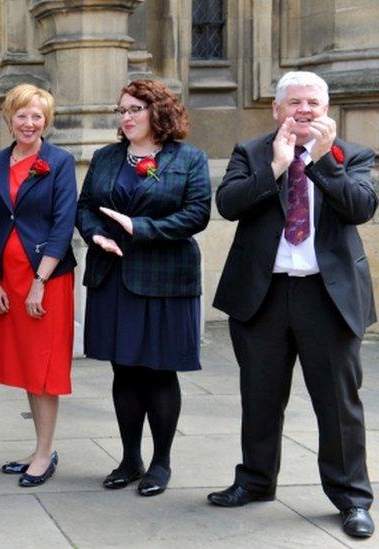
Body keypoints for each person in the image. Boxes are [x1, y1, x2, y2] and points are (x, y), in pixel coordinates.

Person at [209, 71, 377, 539]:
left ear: (327, 109)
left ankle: (351, 499)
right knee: (259, 397)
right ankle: (256, 481)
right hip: (263, 295)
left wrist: (323, 163)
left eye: (314, 102)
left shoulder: (353, 154)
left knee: (338, 404)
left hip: (328, 297)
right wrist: (277, 167)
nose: (305, 109)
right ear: (277, 110)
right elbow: (228, 204)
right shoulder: (252, 152)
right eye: (295, 102)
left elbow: (361, 207)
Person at [75, 80, 211, 497]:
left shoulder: (188, 159)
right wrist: (97, 235)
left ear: (158, 112)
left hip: (165, 278)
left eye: (135, 109)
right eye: (122, 110)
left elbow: (197, 214)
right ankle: (130, 458)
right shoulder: (106, 157)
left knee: (158, 370)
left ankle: (161, 462)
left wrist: (140, 227)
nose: (127, 117)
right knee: (124, 369)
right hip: (114, 274)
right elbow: (85, 207)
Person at [0, 83, 77, 488]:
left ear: (46, 121)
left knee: (44, 368)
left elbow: (63, 224)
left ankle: (44, 453)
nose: (30, 123)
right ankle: (39, 447)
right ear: (9, 118)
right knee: (26, 367)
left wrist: (40, 281)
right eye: (22, 115)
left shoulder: (60, 161)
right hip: (8, 280)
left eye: (37, 116)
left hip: (46, 280)